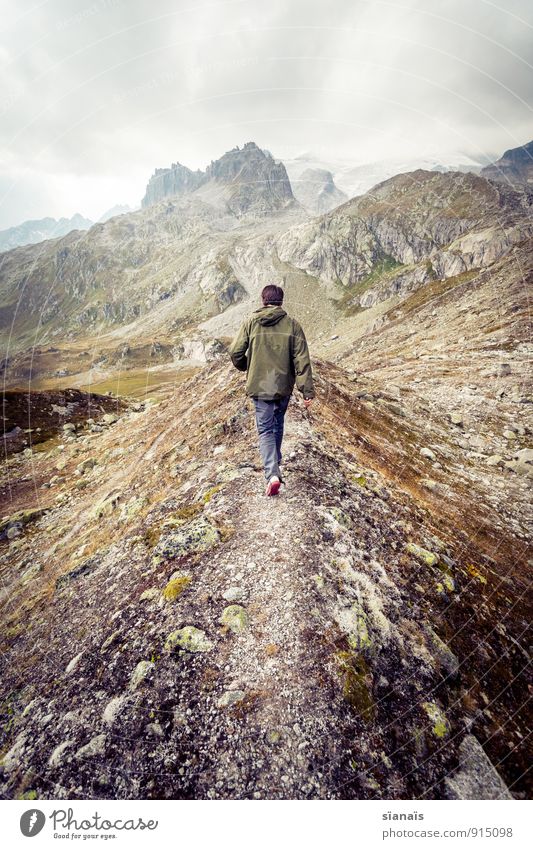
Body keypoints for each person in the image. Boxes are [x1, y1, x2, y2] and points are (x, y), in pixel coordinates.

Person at [228, 283, 315, 496]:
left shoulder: (251, 323)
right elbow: (302, 359)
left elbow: (235, 352)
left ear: (263, 300)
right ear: (281, 301)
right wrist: (306, 391)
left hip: (259, 385)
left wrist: (248, 367)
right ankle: (275, 463)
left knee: (265, 430)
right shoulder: (293, 325)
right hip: (283, 385)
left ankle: (272, 474)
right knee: (278, 423)